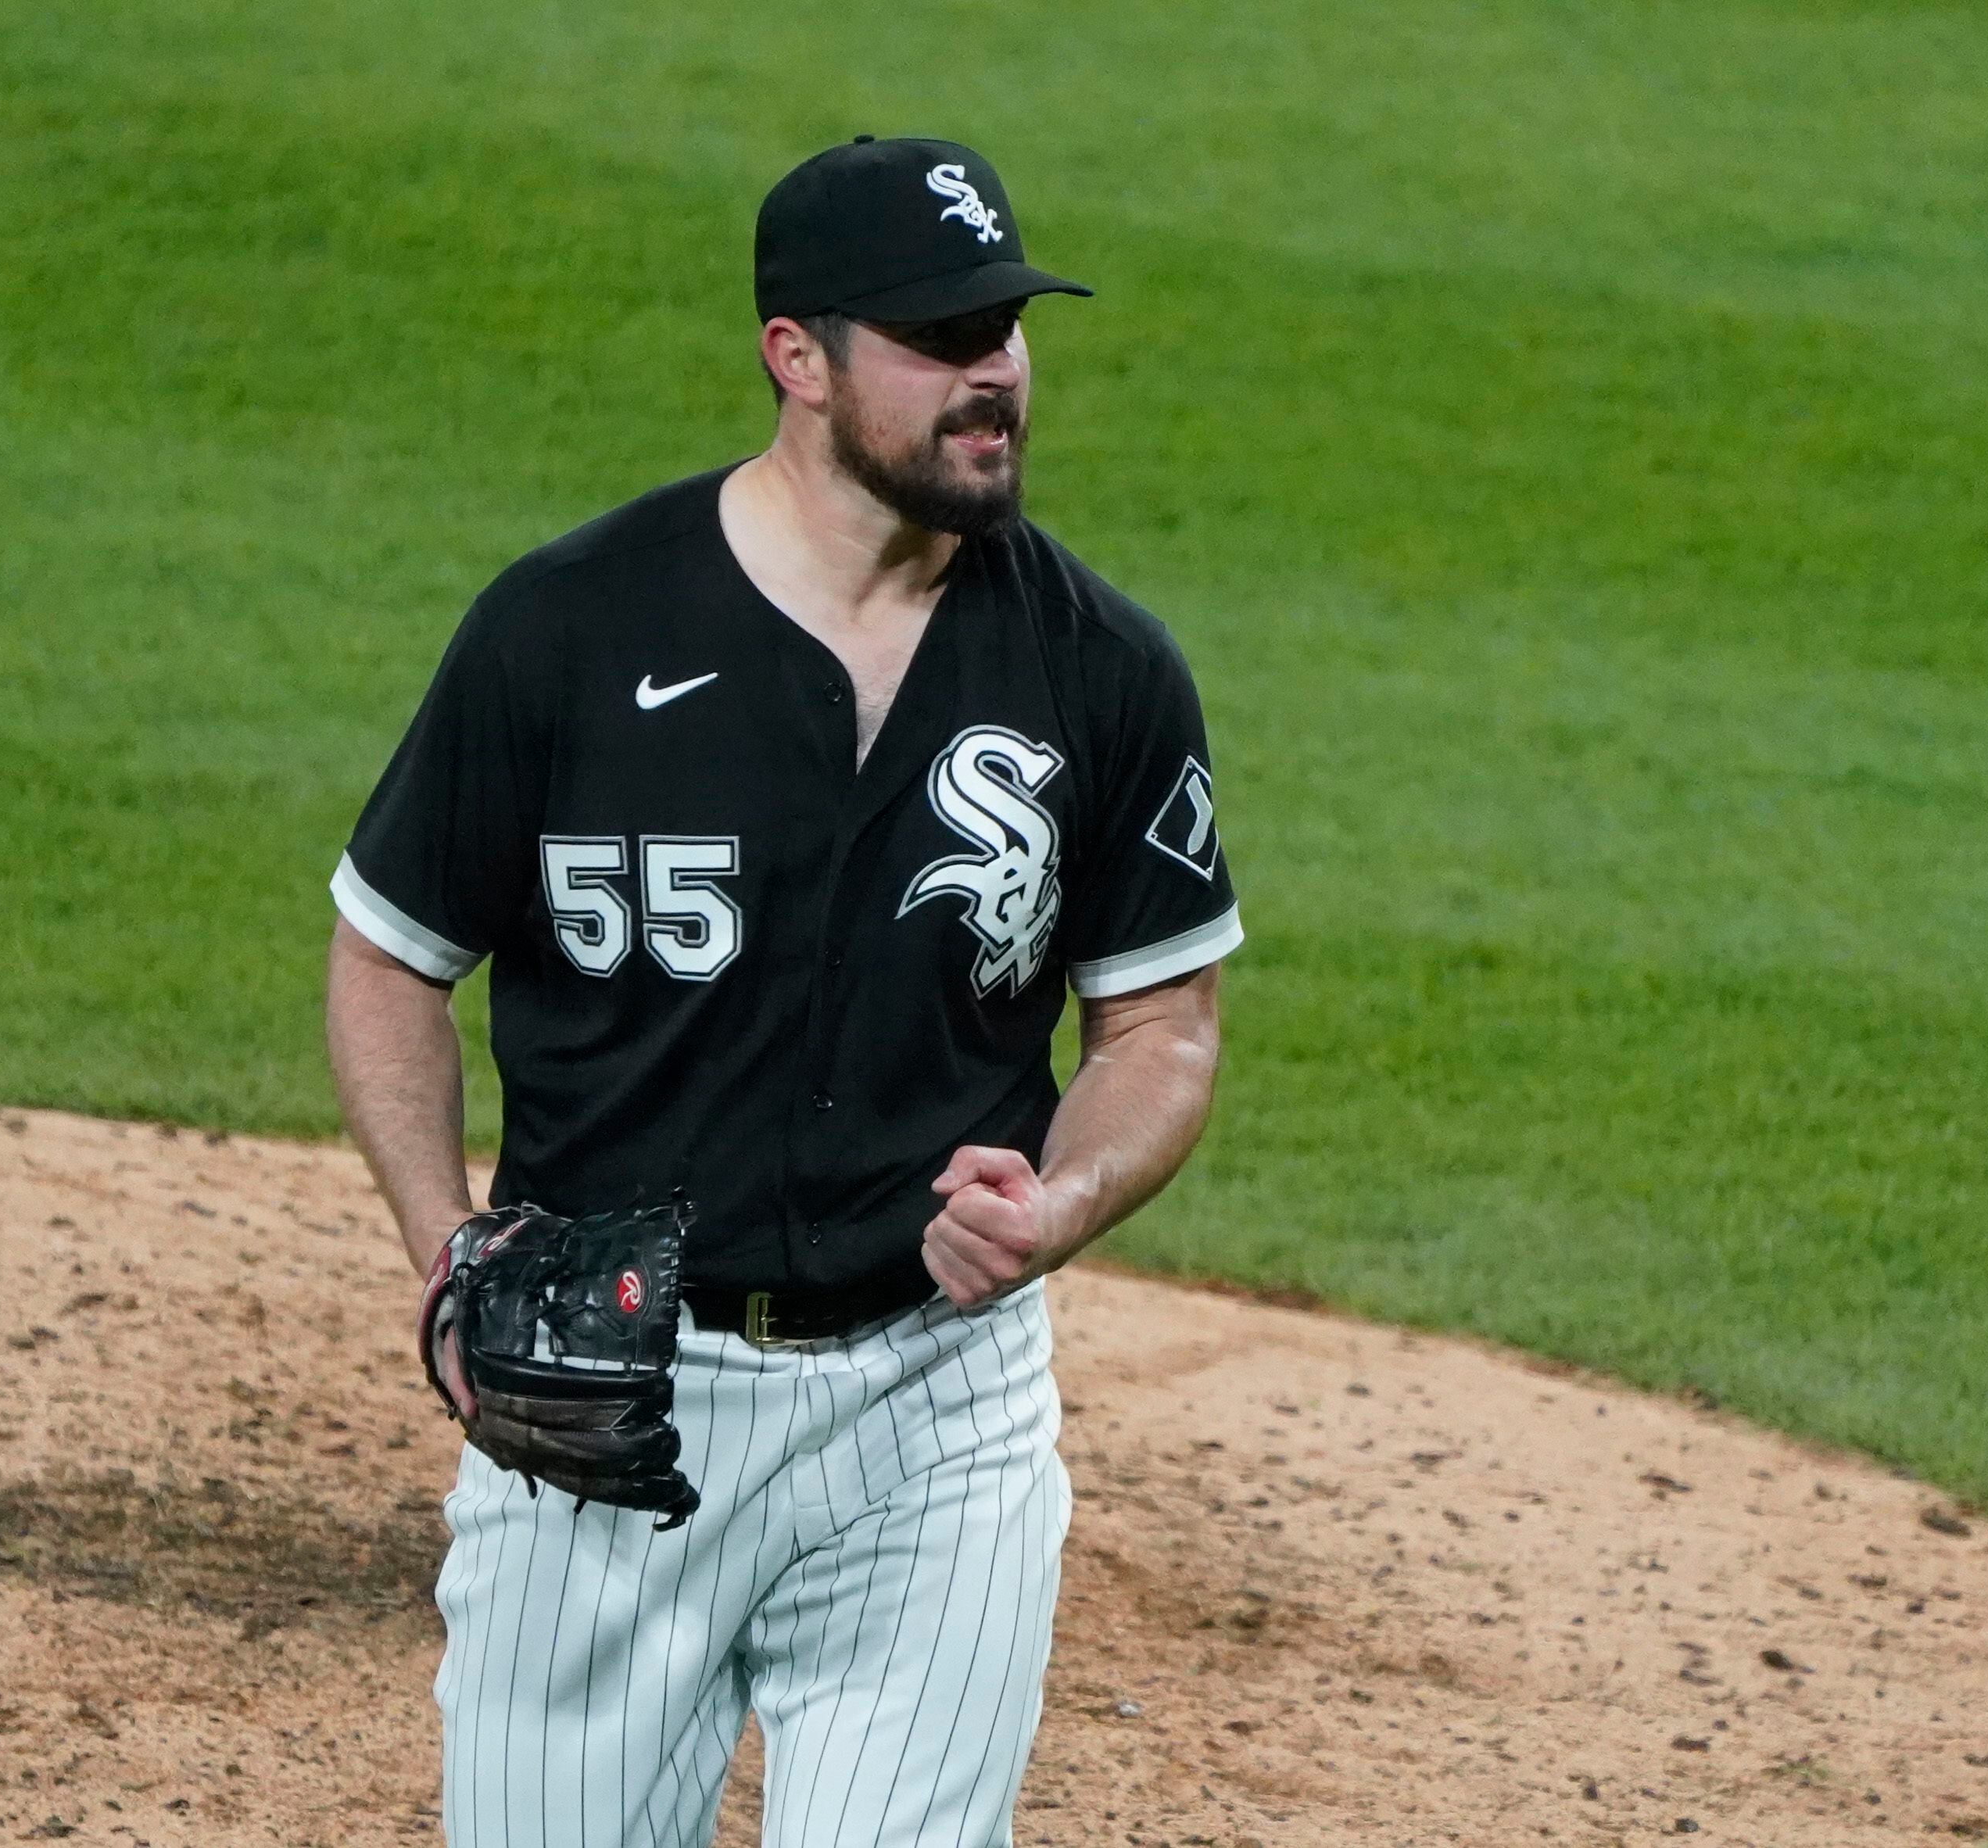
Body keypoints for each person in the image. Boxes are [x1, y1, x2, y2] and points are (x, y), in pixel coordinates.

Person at [322, 133, 1241, 1848]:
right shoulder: (568, 632)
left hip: (934, 1419)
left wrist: (1065, 1196)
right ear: (796, 359)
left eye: (1010, 329)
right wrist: (446, 1254)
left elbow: (1161, 1026)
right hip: (604, 1413)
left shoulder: (1102, 670)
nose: (995, 375)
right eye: (939, 336)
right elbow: (391, 951)